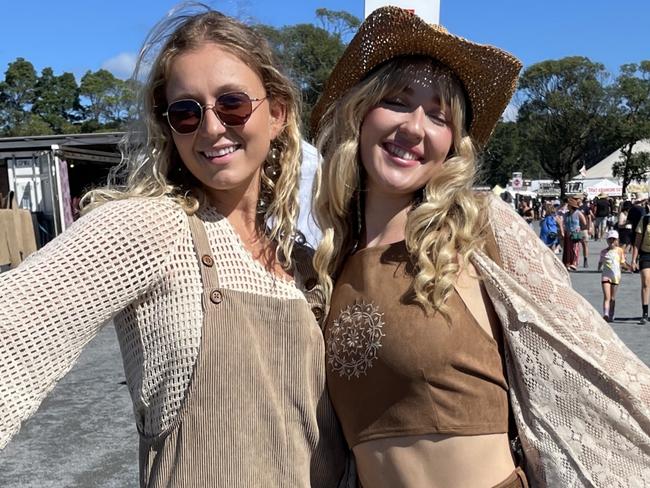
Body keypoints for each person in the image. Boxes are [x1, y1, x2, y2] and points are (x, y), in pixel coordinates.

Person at [0, 6, 350, 487]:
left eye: (232, 104)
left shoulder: (306, 264)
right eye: (186, 112)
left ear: (278, 114)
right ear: (169, 128)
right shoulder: (149, 228)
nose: (210, 128)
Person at [310, 6, 650, 487]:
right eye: (398, 101)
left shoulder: (479, 228)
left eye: (438, 115)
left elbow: (596, 358)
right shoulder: (326, 261)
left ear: (452, 143)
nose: (415, 127)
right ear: (362, 112)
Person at [597, 229, 628, 322]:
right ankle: (606, 314)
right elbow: (600, 262)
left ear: (617, 240)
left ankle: (611, 314)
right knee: (607, 296)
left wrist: (627, 267)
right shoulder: (603, 252)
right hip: (606, 276)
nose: (611, 241)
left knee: (612, 298)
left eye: (614, 239)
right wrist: (599, 267)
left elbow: (622, 263)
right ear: (607, 240)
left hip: (616, 276)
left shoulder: (620, 251)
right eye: (610, 239)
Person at [632, 208, 650, 324]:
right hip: (646, 254)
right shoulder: (644, 220)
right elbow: (637, 242)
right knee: (646, 282)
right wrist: (633, 260)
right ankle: (645, 313)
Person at [562, 196, 586, 271]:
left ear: (571, 206)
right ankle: (568, 263)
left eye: (568, 205)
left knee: (575, 248)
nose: (567, 206)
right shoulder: (566, 214)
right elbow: (563, 223)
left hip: (576, 233)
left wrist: (580, 230)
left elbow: (584, 222)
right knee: (568, 249)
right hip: (568, 233)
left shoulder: (578, 213)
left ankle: (574, 263)